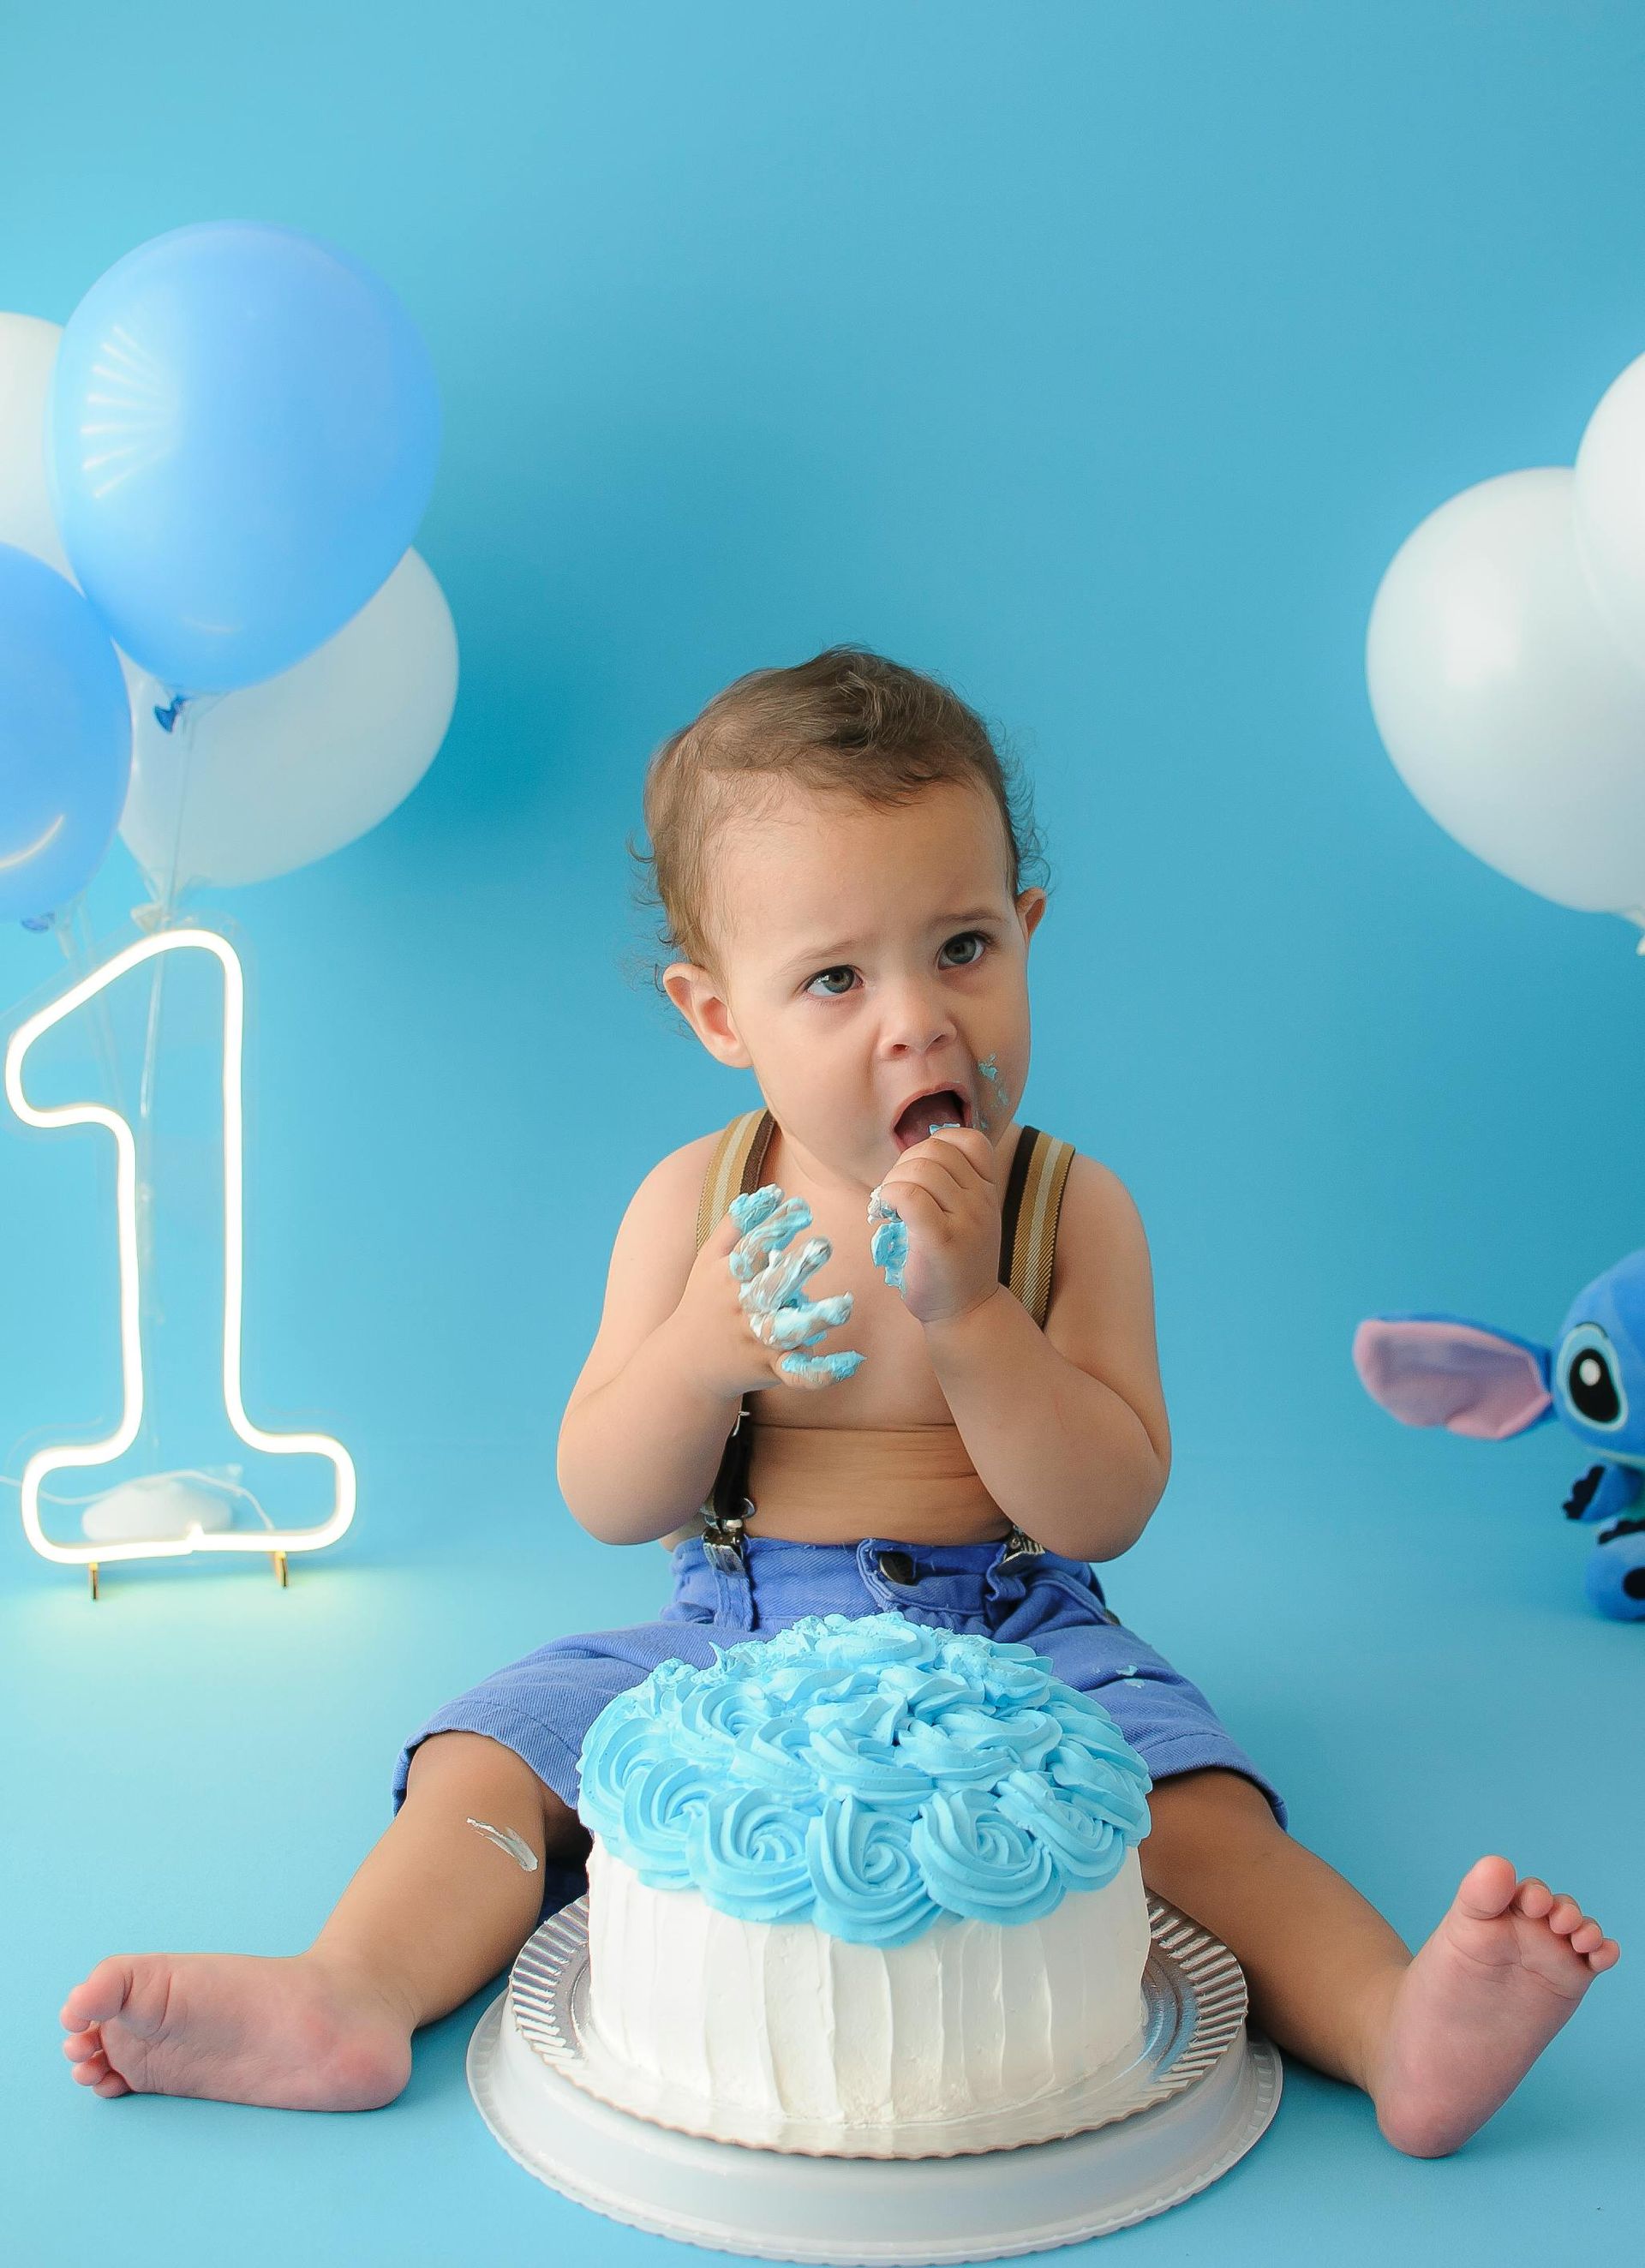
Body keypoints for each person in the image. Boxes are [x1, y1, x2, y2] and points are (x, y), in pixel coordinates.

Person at [59, 647, 1618, 2155]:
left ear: (1029, 930)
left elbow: (1106, 1505)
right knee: (492, 1760)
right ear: (718, 1017)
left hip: (1025, 1634)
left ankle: (1389, 2020)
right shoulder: (699, 1203)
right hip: (727, 1637)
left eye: (962, 948)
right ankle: (353, 1994)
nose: (915, 1021)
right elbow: (606, 1492)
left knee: (1201, 1815)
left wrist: (979, 1321)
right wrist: (699, 1355)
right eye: (831, 978)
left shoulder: (1070, 1214)